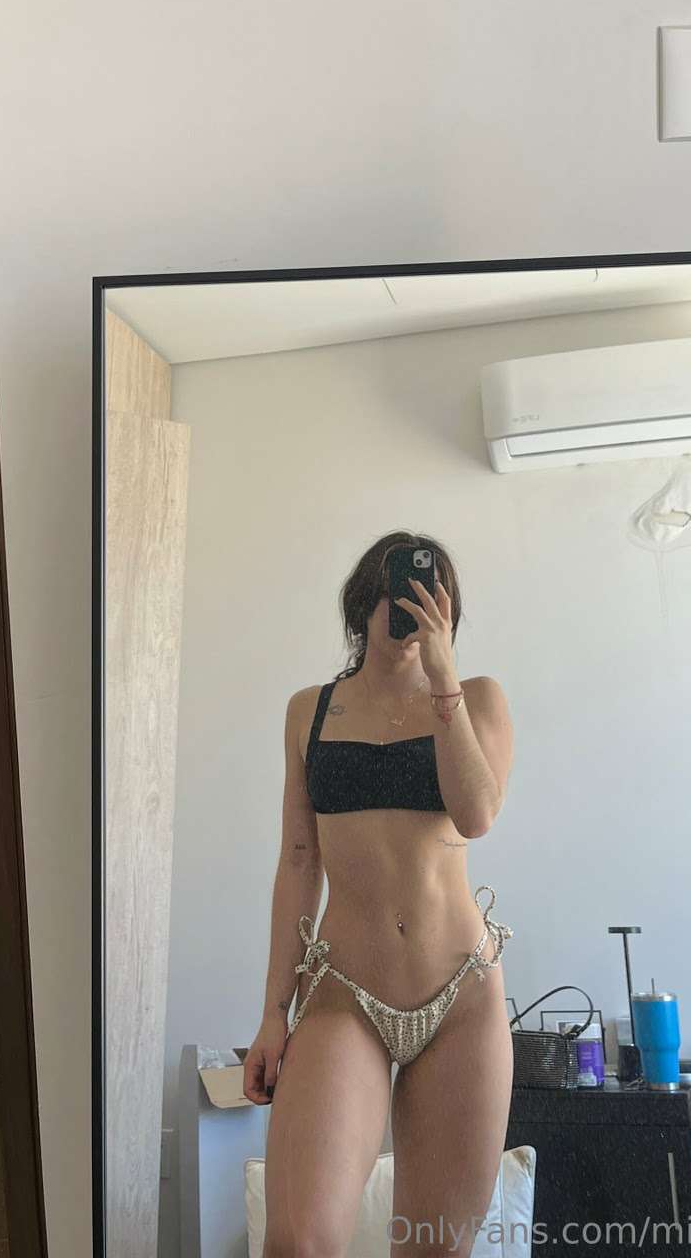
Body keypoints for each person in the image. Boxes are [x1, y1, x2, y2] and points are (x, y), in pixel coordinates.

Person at [243, 531, 515, 1257]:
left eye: (432, 596)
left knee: (435, 1249)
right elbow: (298, 860)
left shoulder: (478, 699)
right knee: (298, 1243)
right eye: (399, 592)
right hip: (345, 997)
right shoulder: (310, 710)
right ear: (365, 601)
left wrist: (443, 675)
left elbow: (477, 814)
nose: (412, 608)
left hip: (460, 1000)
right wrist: (273, 1014)